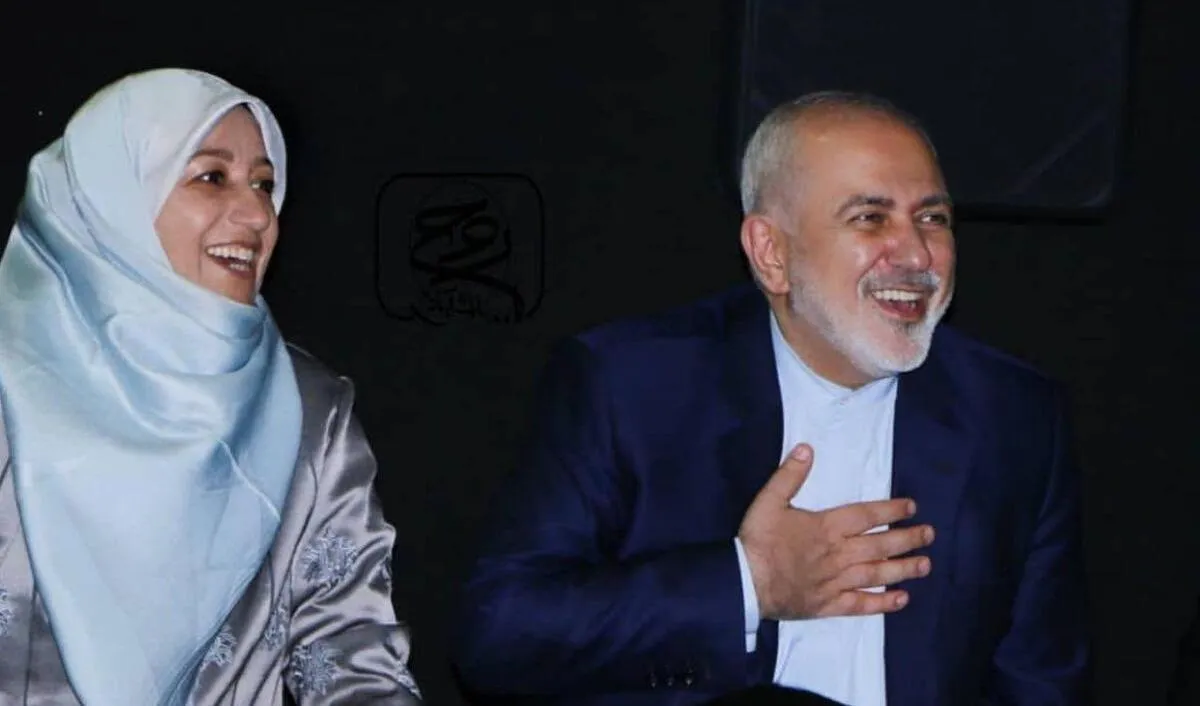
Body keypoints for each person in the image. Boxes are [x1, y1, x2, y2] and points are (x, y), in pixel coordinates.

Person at [453, 91, 1091, 705]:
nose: (917, 253)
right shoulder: (633, 386)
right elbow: (499, 635)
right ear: (771, 253)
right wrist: (749, 584)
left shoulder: (1011, 414)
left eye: (933, 218)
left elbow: (1041, 682)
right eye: (870, 218)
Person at [0, 68, 422, 705]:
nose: (257, 213)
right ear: (111, 198)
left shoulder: (307, 409)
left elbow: (348, 653)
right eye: (211, 177)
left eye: (264, 184)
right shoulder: (10, 385)